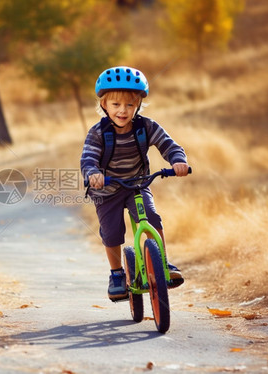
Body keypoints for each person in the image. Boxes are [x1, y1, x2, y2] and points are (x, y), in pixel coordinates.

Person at [80, 66, 190, 302]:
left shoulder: (146, 127)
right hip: (107, 189)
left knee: (151, 216)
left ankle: (161, 261)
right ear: (104, 105)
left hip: (137, 184)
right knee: (112, 232)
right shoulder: (98, 133)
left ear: (138, 105)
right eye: (116, 105)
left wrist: (178, 161)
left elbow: (169, 146)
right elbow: (88, 158)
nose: (123, 110)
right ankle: (117, 274)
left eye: (130, 105)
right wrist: (93, 174)